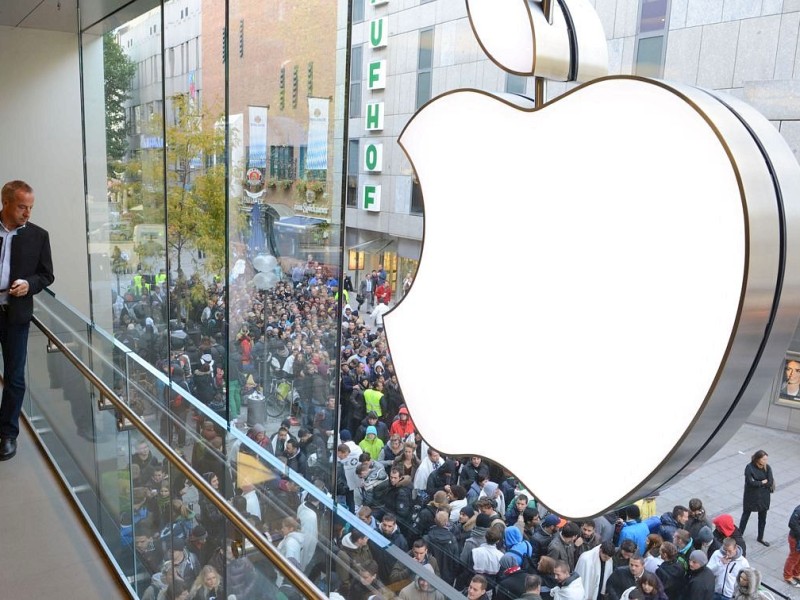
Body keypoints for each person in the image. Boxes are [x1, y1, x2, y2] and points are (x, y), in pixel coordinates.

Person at [0, 180, 54, 460]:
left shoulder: (38, 236)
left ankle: (8, 434)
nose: (27, 213)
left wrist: (29, 285)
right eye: (22, 206)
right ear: (5, 202)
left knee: (15, 378)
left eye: (31, 207)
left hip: (16, 315)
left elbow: (47, 275)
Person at [738, 450, 774, 546]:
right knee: (746, 515)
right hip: (751, 496)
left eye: (766, 459)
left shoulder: (768, 468)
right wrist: (762, 482)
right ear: (758, 459)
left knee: (762, 518)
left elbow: (770, 482)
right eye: (764, 459)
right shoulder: (749, 468)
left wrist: (757, 483)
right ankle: (739, 535)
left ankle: (760, 537)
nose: (766, 461)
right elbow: (750, 482)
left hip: (763, 497)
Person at [783, 502, 800, 587]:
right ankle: (788, 576)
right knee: (794, 557)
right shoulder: (798, 510)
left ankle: (796, 573)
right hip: (796, 538)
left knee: (798, 558)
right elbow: (792, 523)